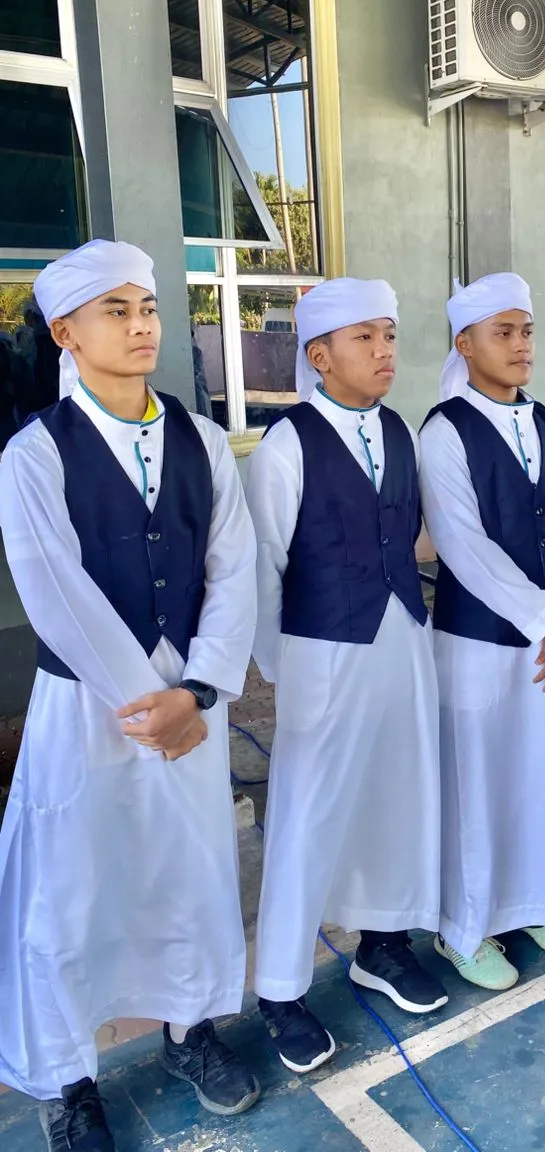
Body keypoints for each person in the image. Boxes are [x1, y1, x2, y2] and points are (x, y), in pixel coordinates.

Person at [0, 240, 260, 1152]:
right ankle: (68, 1080)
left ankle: (191, 1032)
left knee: (190, 874)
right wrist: (151, 701)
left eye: (147, 307)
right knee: (71, 893)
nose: (142, 324)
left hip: (190, 698)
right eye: (116, 310)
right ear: (65, 333)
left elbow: (234, 565)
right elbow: (54, 588)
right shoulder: (35, 452)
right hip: (88, 707)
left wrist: (201, 687)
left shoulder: (199, 439)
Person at [249, 278, 445, 1075]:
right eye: (365, 338)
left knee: (398, 795)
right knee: (310, 815)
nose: (384, 350)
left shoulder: (399, 430)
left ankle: (384, 944)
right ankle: (280, 990)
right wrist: (282, 667)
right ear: (320, 355)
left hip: (402, 641)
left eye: (389, 334)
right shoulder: (285, 445)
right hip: (322, 651)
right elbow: (261, 570)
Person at [418, 274, 545, 992]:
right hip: (480, 647)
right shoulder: (444, 430)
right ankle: (464, 928)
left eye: (526, 330)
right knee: (482, 787)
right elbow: (462, 545)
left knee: (543, 777)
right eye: (503, 332)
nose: (521, 344)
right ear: (465, 343)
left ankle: (535, 902)